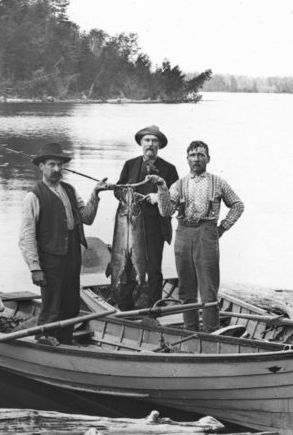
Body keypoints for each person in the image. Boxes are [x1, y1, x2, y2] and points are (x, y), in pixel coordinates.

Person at [19, 142, 109, 344]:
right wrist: (35, 268)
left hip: (72, 257)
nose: (57, 169)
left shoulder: (69, 190)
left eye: (60, 165)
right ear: (41, 166)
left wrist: (95, 194)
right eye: (52, 164)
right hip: (50, 260)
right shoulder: (34, 196)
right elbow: (26, 237)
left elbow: (87, 218)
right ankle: (44, 339)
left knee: (71, 306)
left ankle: (65, 342)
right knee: (51, 307)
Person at [152, 140, 244, 332]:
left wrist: (222, 228)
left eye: (200, 155)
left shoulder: (218, 182)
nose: (196, 159)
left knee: (209, 289)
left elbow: (237, 205)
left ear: (208, 158)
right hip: (183, 234)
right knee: (186, 289)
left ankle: (212, 333)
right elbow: (166, 212)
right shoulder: (179, 184)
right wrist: (161, 187)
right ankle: (190, 330)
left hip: (207, 234)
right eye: (192, 155)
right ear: (187, 159)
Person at [116, 125, 179, 309]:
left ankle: (154, 309)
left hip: (155, 227)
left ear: (159, 145)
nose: (150, 144)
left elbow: (176, 200)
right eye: (147, 140)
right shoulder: (130, 164)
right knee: (128, 266)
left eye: (154, 141)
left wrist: (159, 197)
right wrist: (125, 194)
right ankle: (125, 307)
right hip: (130, 225)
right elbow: (118, 190)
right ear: (141, 143)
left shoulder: (169, 169)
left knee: (153, 269)